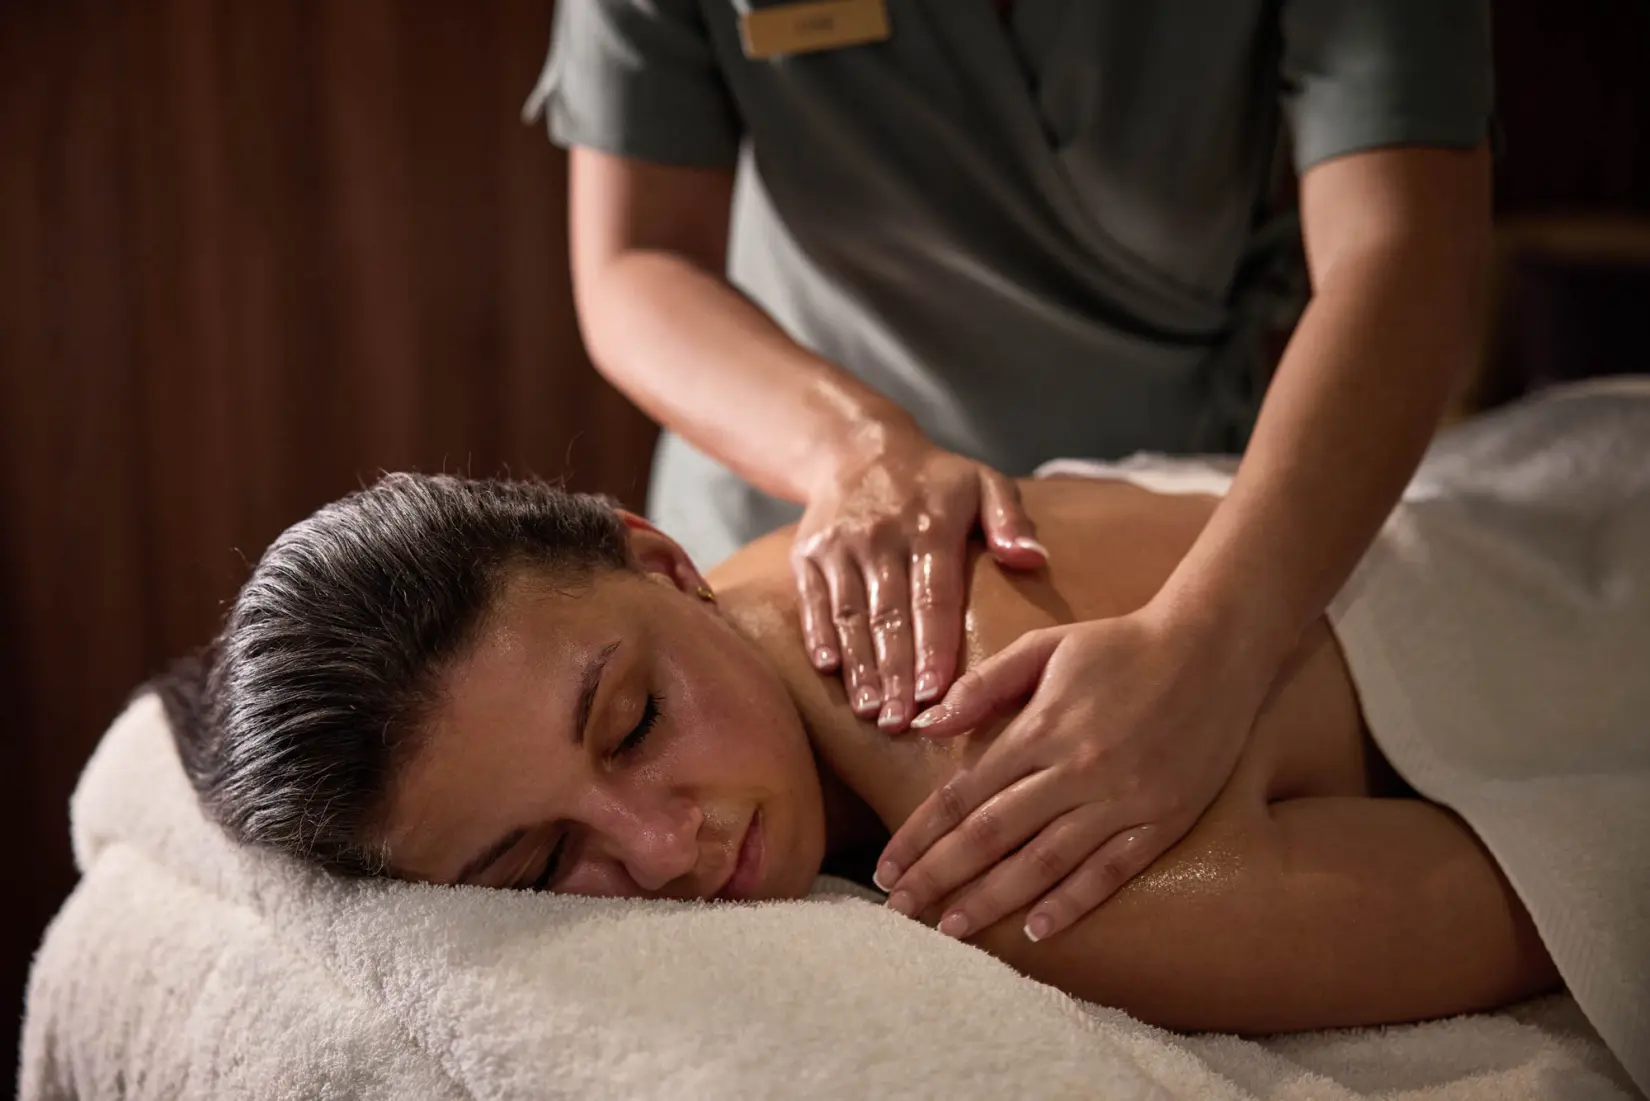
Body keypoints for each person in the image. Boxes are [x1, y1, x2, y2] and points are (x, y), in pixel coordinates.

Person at [163, 383, 1650, 1035]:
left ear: (658, 556)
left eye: (628, 726)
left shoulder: (1008, 843)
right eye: (538, 866)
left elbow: (1557, 889)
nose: (661, 846)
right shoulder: (746, 591)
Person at [526, 0, 1499, 933]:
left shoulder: (1034, 838)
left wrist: (1220, 647)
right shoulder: (690, 700)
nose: (658, 853)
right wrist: (854, 447)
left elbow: (1404, 243)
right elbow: (636, 259)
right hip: (782, 493)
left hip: (1186, 542)